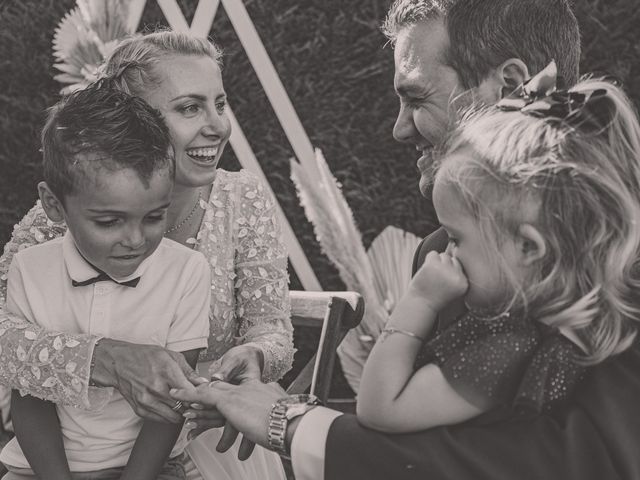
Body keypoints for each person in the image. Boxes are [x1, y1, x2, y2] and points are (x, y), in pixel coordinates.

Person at [169, 1, 640, 479]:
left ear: (513, 86)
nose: (397, 129)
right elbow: (420, 439)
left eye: (416, 99)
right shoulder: (440, 253)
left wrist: (289, 423)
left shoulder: (624, 267)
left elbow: (564, 460)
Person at [0, 31, 292, 480]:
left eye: (220, 103)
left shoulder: (243, 197)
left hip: (209, 433)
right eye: (189, 107)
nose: (217, 125)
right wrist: (104, 359)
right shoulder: (65, 210)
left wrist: (256, 355)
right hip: (69, 446)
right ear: (134, 117)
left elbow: (271, 327)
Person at [357, 63, 640, 434]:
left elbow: (381, 409)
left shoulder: (512, 346)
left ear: (528, 247)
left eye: (457, 239)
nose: (444, 254)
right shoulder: (601, 322)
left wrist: (420, 302)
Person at [0, 83, 212, 480]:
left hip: (151, 468)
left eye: (154, 217)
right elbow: (29, 396)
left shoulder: (188, 271)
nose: (135, 240)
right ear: (53, 205)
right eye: (109, 221)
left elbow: (171, 404)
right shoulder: (29, 268)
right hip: (39, 470)